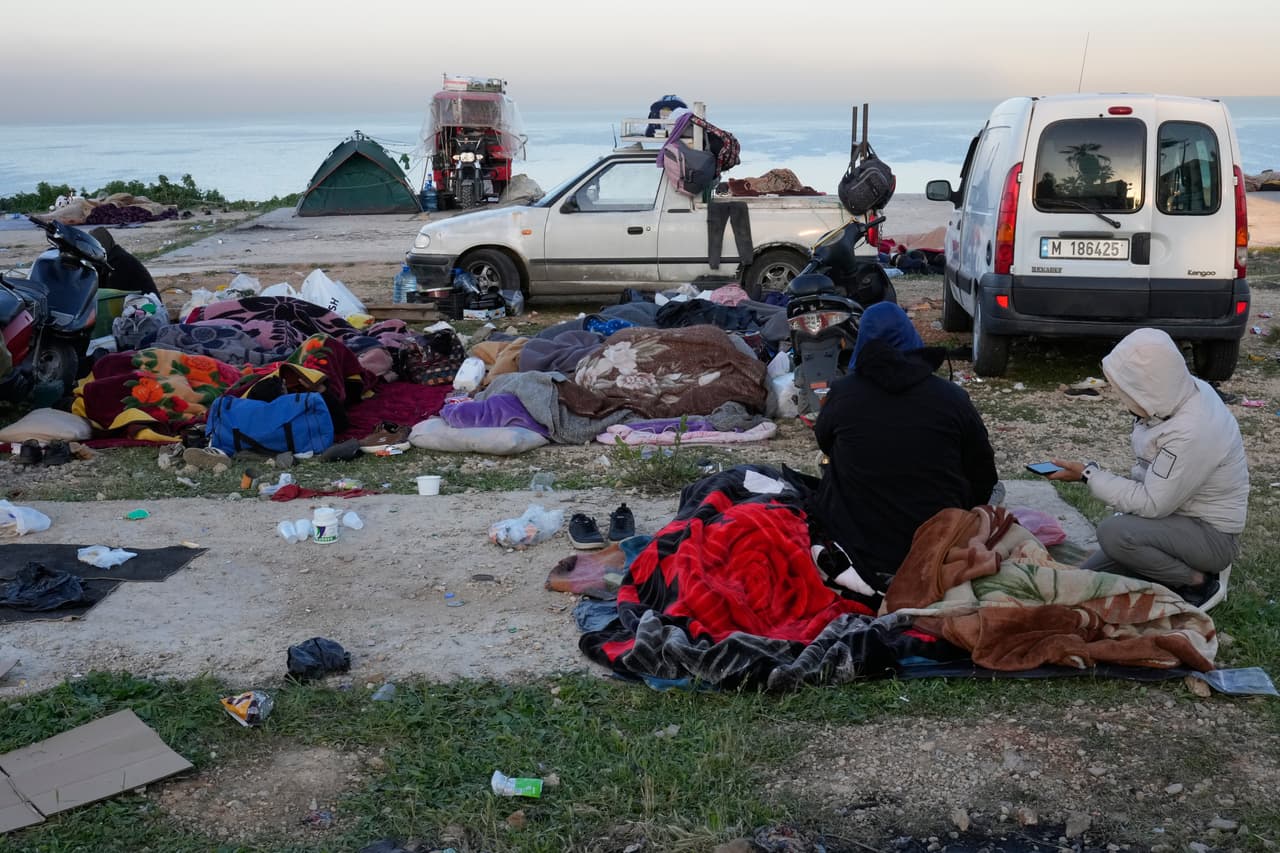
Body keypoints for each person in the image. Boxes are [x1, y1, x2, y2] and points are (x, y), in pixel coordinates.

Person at [1050, 328, 1249, 610]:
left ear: (1148, 387)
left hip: (1211, 536)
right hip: (1178, 518)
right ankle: (1160, 566)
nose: (1124, 399)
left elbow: (1152, 503)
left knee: (1114, 533)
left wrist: (1088, 476)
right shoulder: (1178, 394)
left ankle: (1197, 581)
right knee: (1082, 580)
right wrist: (1090, 474)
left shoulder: (1192, 430)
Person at [812, 302, 999, 600]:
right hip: (939, 542)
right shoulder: (952, 397)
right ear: (912, 338)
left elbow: (826, 445)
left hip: (859, 546)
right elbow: (984, 475)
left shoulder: (843, 393)